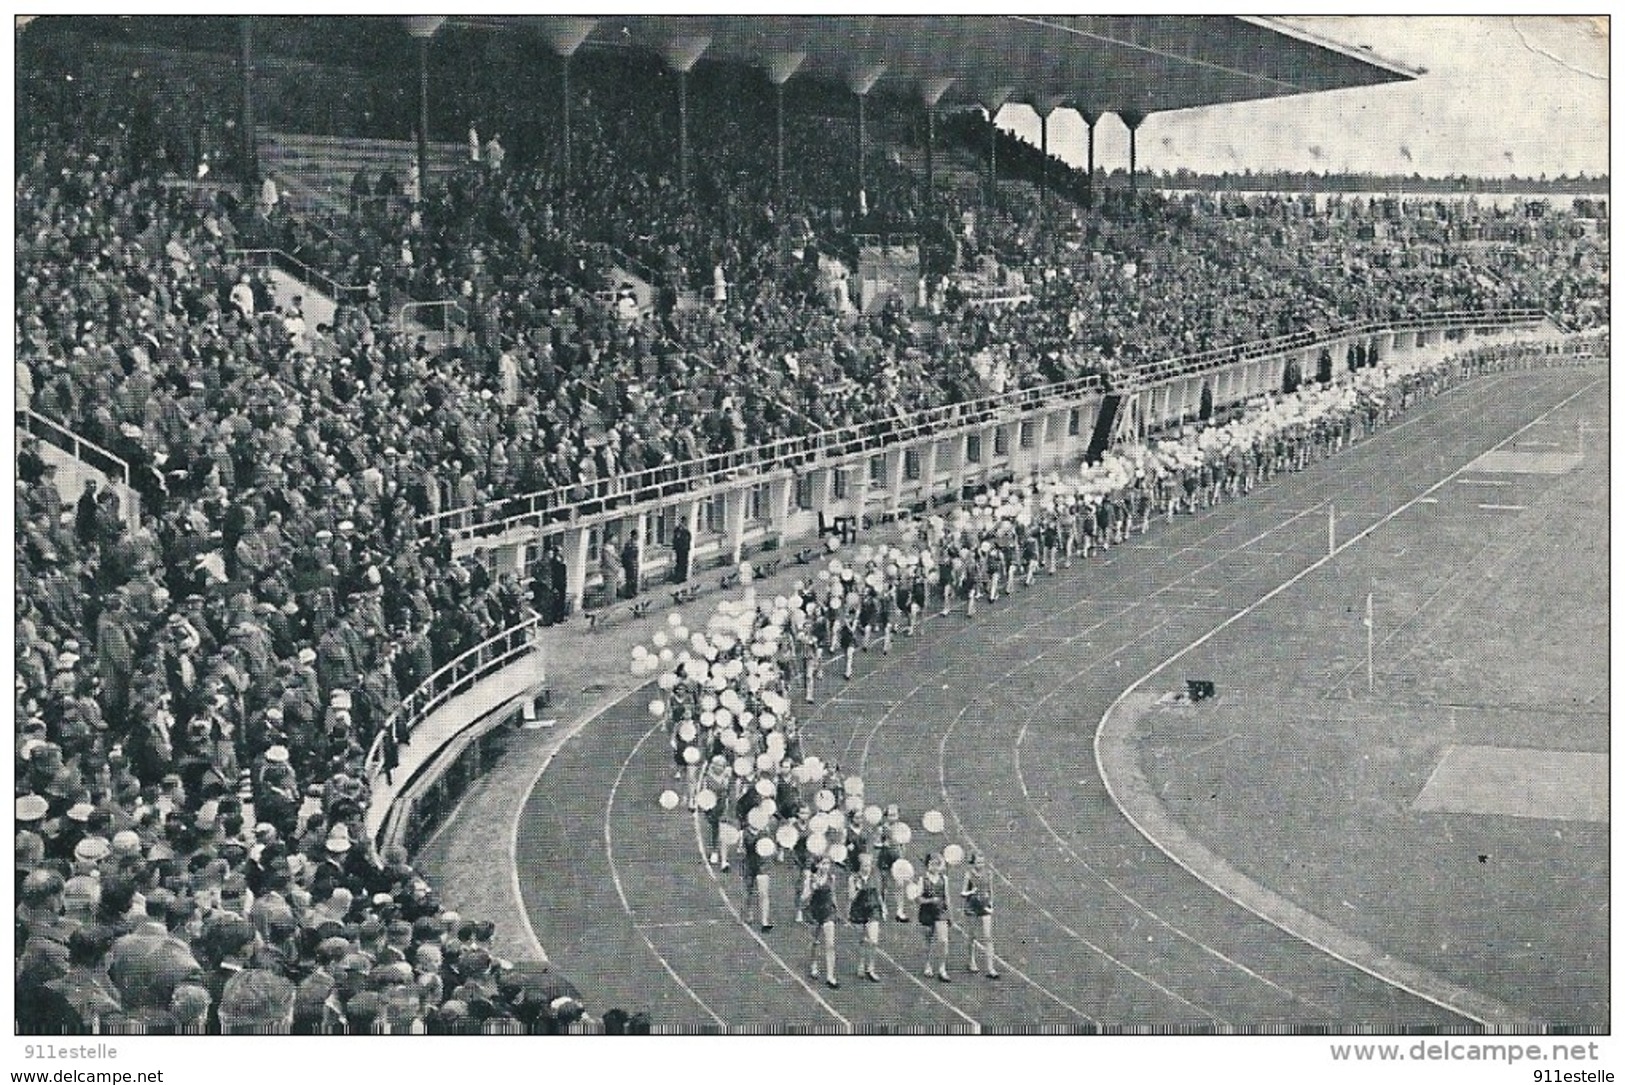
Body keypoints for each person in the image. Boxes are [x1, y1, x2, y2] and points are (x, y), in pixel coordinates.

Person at [802, 857, 840, 988]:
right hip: (814, 912)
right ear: (817, 865)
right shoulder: (811, 878)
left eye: (828, 863)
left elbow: (833, 894)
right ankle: (814, 963)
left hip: (828, 912)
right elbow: (804, 897)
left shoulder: (832, 877)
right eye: (823, 863)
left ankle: (830, 976)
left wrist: (837, 909)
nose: (826, 866)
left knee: (830, 944)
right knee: (815, 942)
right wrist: (812, 888)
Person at [961, 852, 999, 979]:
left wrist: (991, 904)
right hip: (972, 907)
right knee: (973, 936)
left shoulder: (988, 874)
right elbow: (963, 893)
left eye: (982, 862)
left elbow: (991, 890)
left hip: (984, 906)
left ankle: (990, 967)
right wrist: (971, 892)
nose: (980, 865)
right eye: (978, 862)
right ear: (973, 862)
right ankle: (971, 961)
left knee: (988, 937)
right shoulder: (969, 874)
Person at [847, 851, 883, 983]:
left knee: (873, 941)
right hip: (858, 910)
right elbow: (851, 897)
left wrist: (883, 908)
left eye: (868, 865)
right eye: (864, 865)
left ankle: (871, 968)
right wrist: (858, 888)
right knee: (862, 940)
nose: (867, 868)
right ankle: (861, 963)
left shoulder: (875, 877)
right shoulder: (853, 878)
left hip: (872, 910)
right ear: (860, 866)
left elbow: (878, 894)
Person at [917, 853, 952, 983]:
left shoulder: (944, 879)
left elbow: (947, 898)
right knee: (928, 941)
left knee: (943, 941)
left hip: (940, 912)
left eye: (938, 864)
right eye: (932, 864)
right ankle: (928, 964)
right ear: (927, 865)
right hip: (927, 912)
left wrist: (950, 915)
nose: (935, 867)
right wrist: (931, 900)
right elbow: (918, 899)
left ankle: (942, 968)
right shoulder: (923, 879)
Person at [621, 532, 640, 600]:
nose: (638, 536)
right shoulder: (629, 544)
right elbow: (626, 555)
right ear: (634, 535)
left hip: (634, 563)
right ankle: (629, 593)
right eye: (637, 535)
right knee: (630, 579)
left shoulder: (635, 543)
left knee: (634, 578)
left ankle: (634, 591)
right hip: (630, 564)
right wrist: (627, 564)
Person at [671, 519, 691, 584]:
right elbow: (675, 539)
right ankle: (678, 577)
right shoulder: (677, 530)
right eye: (683, 523)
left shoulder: (686, 531)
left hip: (684, 550)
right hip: (679, 550)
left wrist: (687, 547)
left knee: (684, 564)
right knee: (679, 564)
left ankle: (683, 577)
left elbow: (689, 539)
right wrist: (675, 547)